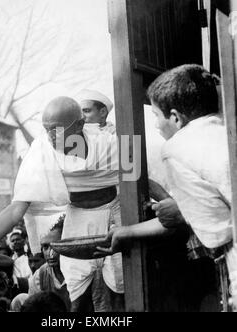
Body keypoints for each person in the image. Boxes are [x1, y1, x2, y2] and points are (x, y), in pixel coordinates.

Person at [0, 96, 124, 312]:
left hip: (116, 215)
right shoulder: (41, 151)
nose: (50, 136)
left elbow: (143, 182)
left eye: (56, 129)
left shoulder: (112, 143)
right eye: (46, 129)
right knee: (78, 295)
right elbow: (15, 210)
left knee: (120, 289)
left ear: (79, 125)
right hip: (77, 220)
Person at [98, 64, 237, 310]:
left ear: (175, 117)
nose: (155, 125)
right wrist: (127, 231)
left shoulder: (177, 149)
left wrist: (179, 210)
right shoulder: (224, 128)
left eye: (156, 116)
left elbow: (216, 232)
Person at [28, 218, 71, 310]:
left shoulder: (83, 270)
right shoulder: (39, 276)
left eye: (55, 246)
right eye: (45, 247)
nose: (50, 253)